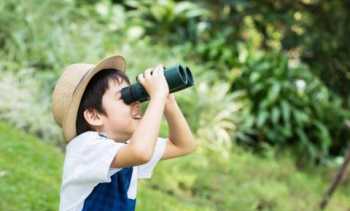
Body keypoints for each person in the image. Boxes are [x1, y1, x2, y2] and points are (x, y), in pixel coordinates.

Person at [51, 55, 197, 211]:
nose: (136, 103)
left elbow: (183, 145)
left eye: (133, 94)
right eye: (125, 97)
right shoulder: (85, 147)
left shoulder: (126, 147)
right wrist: (157, 97)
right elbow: (140, 152)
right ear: (94, 116)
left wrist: (168, 101)